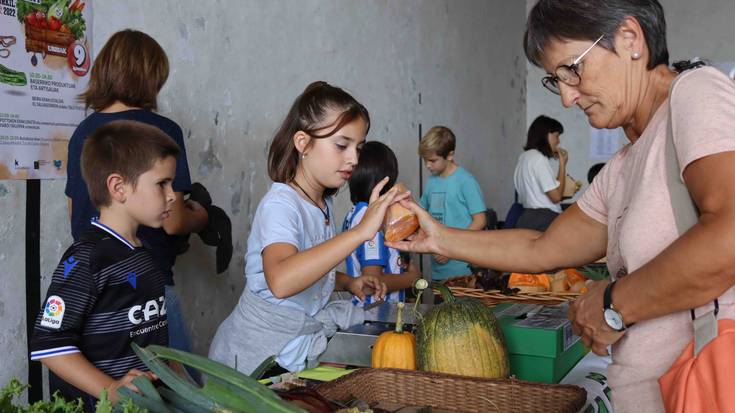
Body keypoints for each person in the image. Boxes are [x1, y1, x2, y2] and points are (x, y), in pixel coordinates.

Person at [388, 0, 735, 411]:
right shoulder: (624, 164)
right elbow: (542, 247)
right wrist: (440, 238)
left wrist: (612, 305)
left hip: (702, 389)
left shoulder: (695, 91)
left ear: (630, 39)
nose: (568, 98)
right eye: (557, 80)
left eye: (573, 69)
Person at [208, 81, 406, 375]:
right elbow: (282, 280)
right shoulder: (281, 204)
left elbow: (308, 266)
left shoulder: (320, 204)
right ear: (303, 143)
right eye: (341, 145)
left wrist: (346, 282)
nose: (353, 158)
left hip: (291, 350)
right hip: (256, 361)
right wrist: (360, 232)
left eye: (358, 147)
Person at [65, 29, 207, 358]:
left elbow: (76, 218)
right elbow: (172, 222)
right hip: (149, 284)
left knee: (117, 395)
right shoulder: (160, 131)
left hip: (95, 290)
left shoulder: (82, 134)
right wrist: (200, 218)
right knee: (179, 394)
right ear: (150, 77)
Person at [30, 120, 179, 410]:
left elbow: (155, 340)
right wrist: (109, 389)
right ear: (118, 188)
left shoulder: (144, 252)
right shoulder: (88, 258)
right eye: (162, 183)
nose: (173, 194)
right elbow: (48, 345)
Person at [343, 141, 421, 307]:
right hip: (376, 313)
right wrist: (412, 278)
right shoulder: (370, 217)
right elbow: (373, 283)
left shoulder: (355, 213)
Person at [418, 126, 487, 280]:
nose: (427, 165)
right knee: (440, 304)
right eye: (425, 160)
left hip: (463, 270)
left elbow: (480, 220)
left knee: (461, 304)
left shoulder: (466, 181)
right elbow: (422, 214)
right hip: (438, 270)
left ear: (450, 155)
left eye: (432, 160)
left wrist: (451, 247)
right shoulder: (431, 182)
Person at [513, 115, 568, 231]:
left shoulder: (524, 157)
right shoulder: (539, 158)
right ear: (546, 134)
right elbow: (556, 197)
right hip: (545, 218)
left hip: (526, 217)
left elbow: (554, 187)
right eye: (556, 136)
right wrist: (562, 164)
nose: (558, 141)